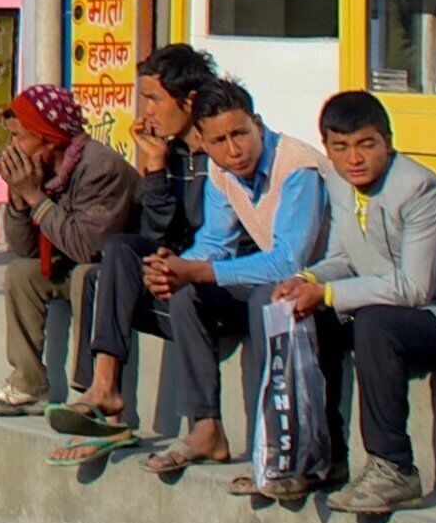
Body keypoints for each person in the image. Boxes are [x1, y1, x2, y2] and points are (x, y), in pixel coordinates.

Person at [267, 91, 436, 515]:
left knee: (374, 323)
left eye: (367, 144)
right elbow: (346, 259)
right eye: (341, 147)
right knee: (315, 315)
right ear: (326, 148)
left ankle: (394, 468)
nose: (355, 159)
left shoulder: (420, 189)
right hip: (415, 314)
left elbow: (414, 288)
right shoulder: (342, 185)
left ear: (388, 141)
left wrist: (328, 292)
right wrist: (307, 280)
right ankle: (322, 456)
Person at [137, 79, 331, 482]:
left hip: (326, 290)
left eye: (240, 133)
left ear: (258, 123)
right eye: (220, 140)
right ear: (204, 143)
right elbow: (214, 243)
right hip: (282, 286)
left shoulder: (298, 168)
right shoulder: (223, 172)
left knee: (269, 299)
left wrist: (201, 270)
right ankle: (206, 428)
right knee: (187, 293)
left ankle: (278, 446)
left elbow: (288, 261)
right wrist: (174, 267)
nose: (234, 149)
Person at [46, 46, 221, 453]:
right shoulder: (171, 152)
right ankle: (105, 406)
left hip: (206, 285)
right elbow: (155, 232)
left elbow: (203, 229)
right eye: (144, 100)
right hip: (168, 274)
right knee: (105, 266)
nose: (148, 112)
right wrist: (156, 166)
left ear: (190, 101)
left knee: (117, 260)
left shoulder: (218, 153)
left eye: (156, 99)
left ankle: (106, 407)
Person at [0, 84, 142, 418]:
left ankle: (91, 388)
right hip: (69, 258)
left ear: (48, 138)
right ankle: (29, 383)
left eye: (20, 137)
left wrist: (36, 198)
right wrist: (20, 201)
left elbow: (87, 249)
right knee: (22, 274)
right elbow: (24, 250)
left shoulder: (100, 169)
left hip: (117, 272)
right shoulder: (40, 171)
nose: (13, 147)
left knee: (84, 276)